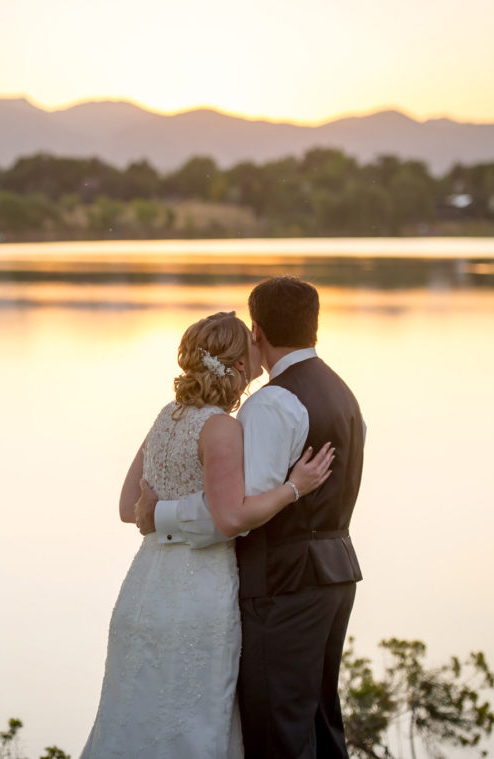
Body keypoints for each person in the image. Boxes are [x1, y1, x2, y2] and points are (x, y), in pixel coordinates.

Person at [79, 310, 335, 759]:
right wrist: (295, 487)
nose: (258, 356)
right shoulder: (221, 427)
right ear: (237, 365)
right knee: (193, 718)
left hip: (144, 590)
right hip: (198, 592)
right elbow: (231, 518)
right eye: (250, 350)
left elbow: (127, 508)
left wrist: (157, 512)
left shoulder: (167, 416)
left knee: (134, 714)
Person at [136, 276, 365, 758]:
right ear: (314, 326)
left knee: (275, 728)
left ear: (257, 330)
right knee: (321, 724)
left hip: (282, 583)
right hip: (337, 573)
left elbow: (238, 513)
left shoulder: (271, 404)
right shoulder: (345, 396)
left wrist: (161, 515)